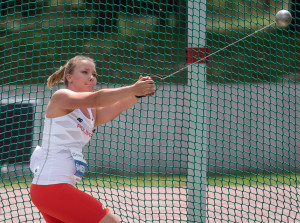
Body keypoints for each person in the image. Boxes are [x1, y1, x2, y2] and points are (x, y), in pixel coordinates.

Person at [29, 55, 155, 223]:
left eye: (94, 74)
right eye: (85, 72)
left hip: (52, 190)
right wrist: (133, 88)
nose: (91, 77)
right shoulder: (61, 96)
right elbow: (97, 98)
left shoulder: (90, 111)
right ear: (69, 77)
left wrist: (137, 94)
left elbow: (115, 107)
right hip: (51, 187)